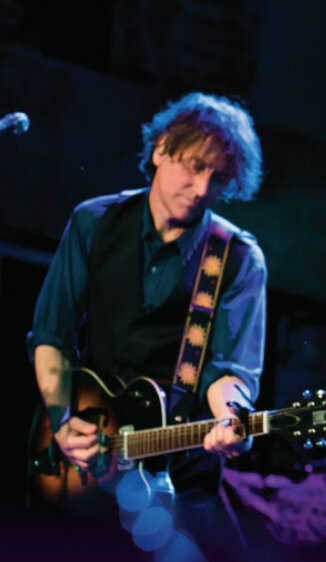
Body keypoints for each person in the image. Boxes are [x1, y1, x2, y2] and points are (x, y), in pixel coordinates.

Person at [27, 92, 266, 558]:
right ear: (160, 150)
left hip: (179, 476)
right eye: (194, 166)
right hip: (87, 465)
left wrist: (231, 418)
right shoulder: (93, 222)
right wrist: (60, 422)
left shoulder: (237, 259)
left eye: (218, 179)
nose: (202, 189)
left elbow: (229, 371)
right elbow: (52, 336)